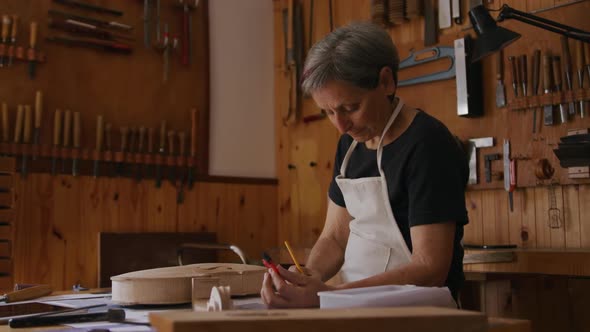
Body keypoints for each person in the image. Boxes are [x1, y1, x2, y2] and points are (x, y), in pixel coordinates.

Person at [260, 22, 469, 308]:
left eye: (350, 108)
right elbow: (334, 236)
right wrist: (309, 275)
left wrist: (331, 295)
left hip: (419, 316)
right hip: (354, 307)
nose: (341, 126)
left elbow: (430, 267)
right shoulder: (350, 145)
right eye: (329, 112)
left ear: (386, 82)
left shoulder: (427, 143)